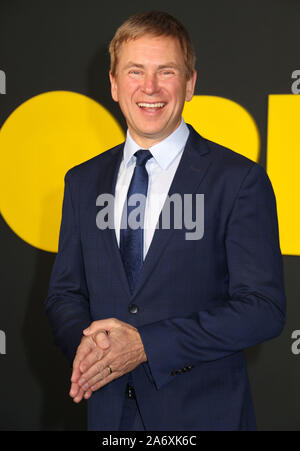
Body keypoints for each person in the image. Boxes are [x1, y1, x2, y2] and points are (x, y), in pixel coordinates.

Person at [45, 10, 286, 431]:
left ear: (190, 84)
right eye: (135, 71)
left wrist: (145, 346)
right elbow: (65, 294)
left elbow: (263, 309)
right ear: (115, 84)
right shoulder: (82, 182)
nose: (150, 88)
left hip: (203, 416)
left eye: (166, 71)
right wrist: (91, 350)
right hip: (108, 414)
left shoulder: (238, 180)